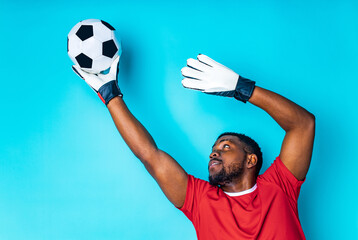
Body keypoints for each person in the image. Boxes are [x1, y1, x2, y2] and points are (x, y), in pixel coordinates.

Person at [72, 53, 315, 240]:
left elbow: (303, 124)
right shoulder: (200, 201)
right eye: (214, 148)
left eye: (226, 146)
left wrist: (241, 88)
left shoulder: (279, 186)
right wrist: (110, 95)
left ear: (251, 160)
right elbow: (149, 155)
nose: (214, 152)